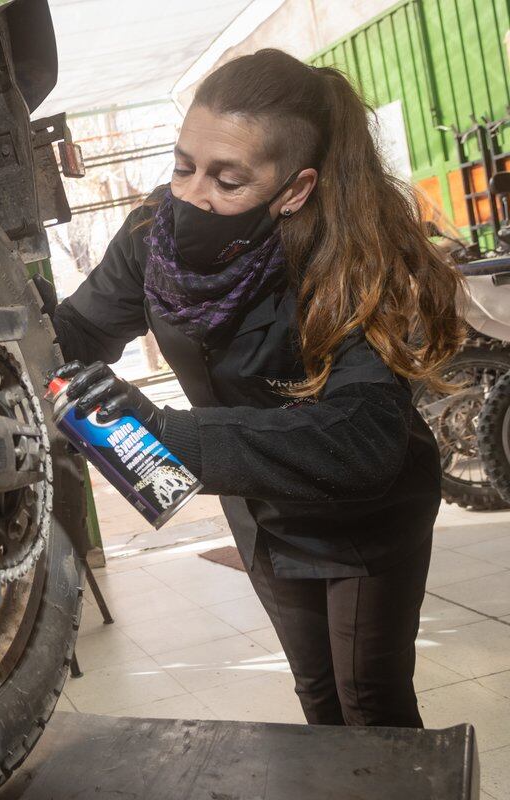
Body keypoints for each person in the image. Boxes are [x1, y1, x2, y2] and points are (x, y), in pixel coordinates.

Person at [45, 49, 464, 728]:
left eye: (227, 180)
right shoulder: (155, 238)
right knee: (319, 697)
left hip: (363, 510)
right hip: (260, 506)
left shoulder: (347, 259)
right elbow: (78, 331)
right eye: (183, 166)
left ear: (292, 190)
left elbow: (366, 437)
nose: (191, 194)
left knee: (370, 700)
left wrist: (172, 437)